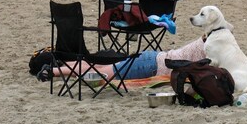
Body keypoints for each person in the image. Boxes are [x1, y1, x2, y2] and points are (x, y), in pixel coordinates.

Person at [36, 36, 206, 82]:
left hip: (152, 57)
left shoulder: (203, 42)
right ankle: (52, 72)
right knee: (100, 73)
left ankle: (64, 64)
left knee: (99, 67)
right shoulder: (212, 50)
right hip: (150, 66)